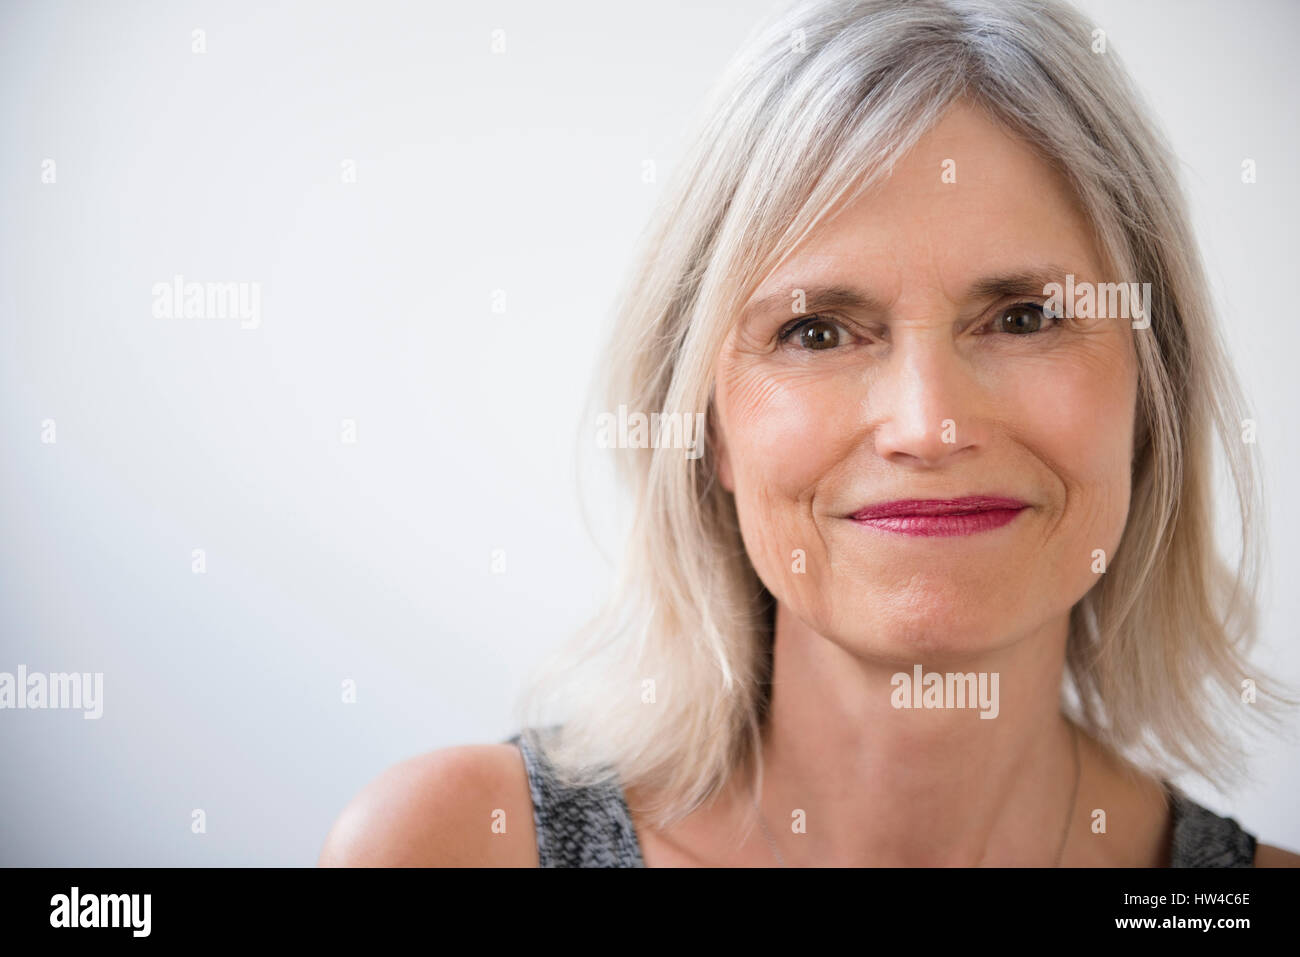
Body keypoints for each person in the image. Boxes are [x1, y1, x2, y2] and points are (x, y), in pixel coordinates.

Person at [319, 0, 1299, 867]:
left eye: (1024, 318)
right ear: (703, 427)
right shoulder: (447, 848)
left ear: (1150, 389)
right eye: (815, 331)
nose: (926, 425)